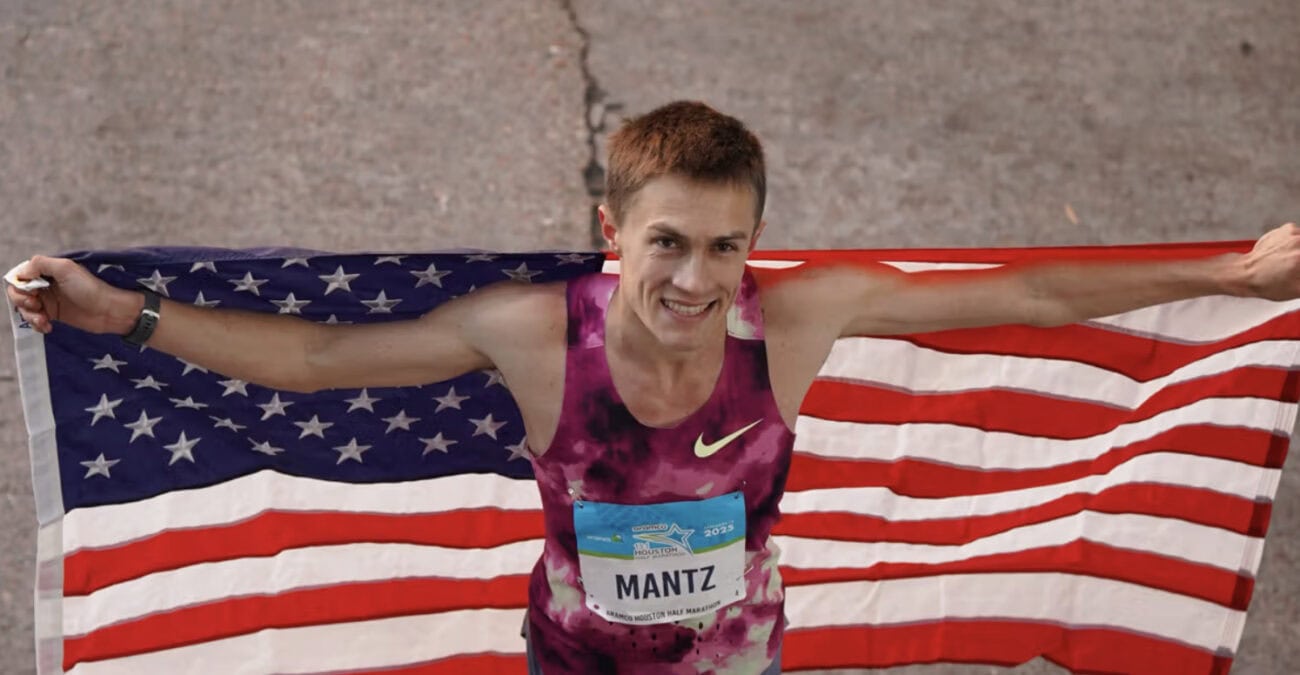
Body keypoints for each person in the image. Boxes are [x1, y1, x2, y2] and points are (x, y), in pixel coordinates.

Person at [6, 100, 1299, 675]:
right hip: (574, 665)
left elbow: (1025, 297)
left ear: (755, 244)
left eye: (725, 244)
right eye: (667, 242)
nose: (694, 278)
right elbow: (318, 363)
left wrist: (1236, 273)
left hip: (739, 661)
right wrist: (127, 316)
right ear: (612, 228)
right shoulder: (526, 332)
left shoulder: (794, 319)